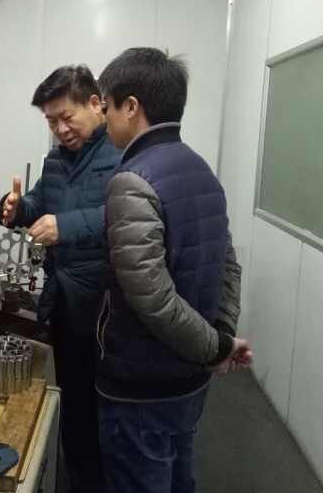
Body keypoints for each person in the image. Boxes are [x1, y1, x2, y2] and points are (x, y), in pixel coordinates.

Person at [95, 47, 253, 493]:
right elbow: (228, 265)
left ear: (131, 106)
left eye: (107, 107)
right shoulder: (202, 171)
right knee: (180, 477)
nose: (104, 118)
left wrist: (216, 347)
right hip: (190, 379)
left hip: (142, 383)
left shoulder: (133, 181)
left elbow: (153, 299)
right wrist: (220, 336)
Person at [0, 64, 119, 493]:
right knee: (74, 402)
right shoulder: (55, 160)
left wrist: (65, 227)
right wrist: (15, 208)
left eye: (67, 117)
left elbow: (128, 216)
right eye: (51, 122)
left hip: (107, 309)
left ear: (95, 103)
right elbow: (39, 202)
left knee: (108, 409)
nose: (61, 130)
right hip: (64, 302)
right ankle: (79, 479)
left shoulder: (121, 153)